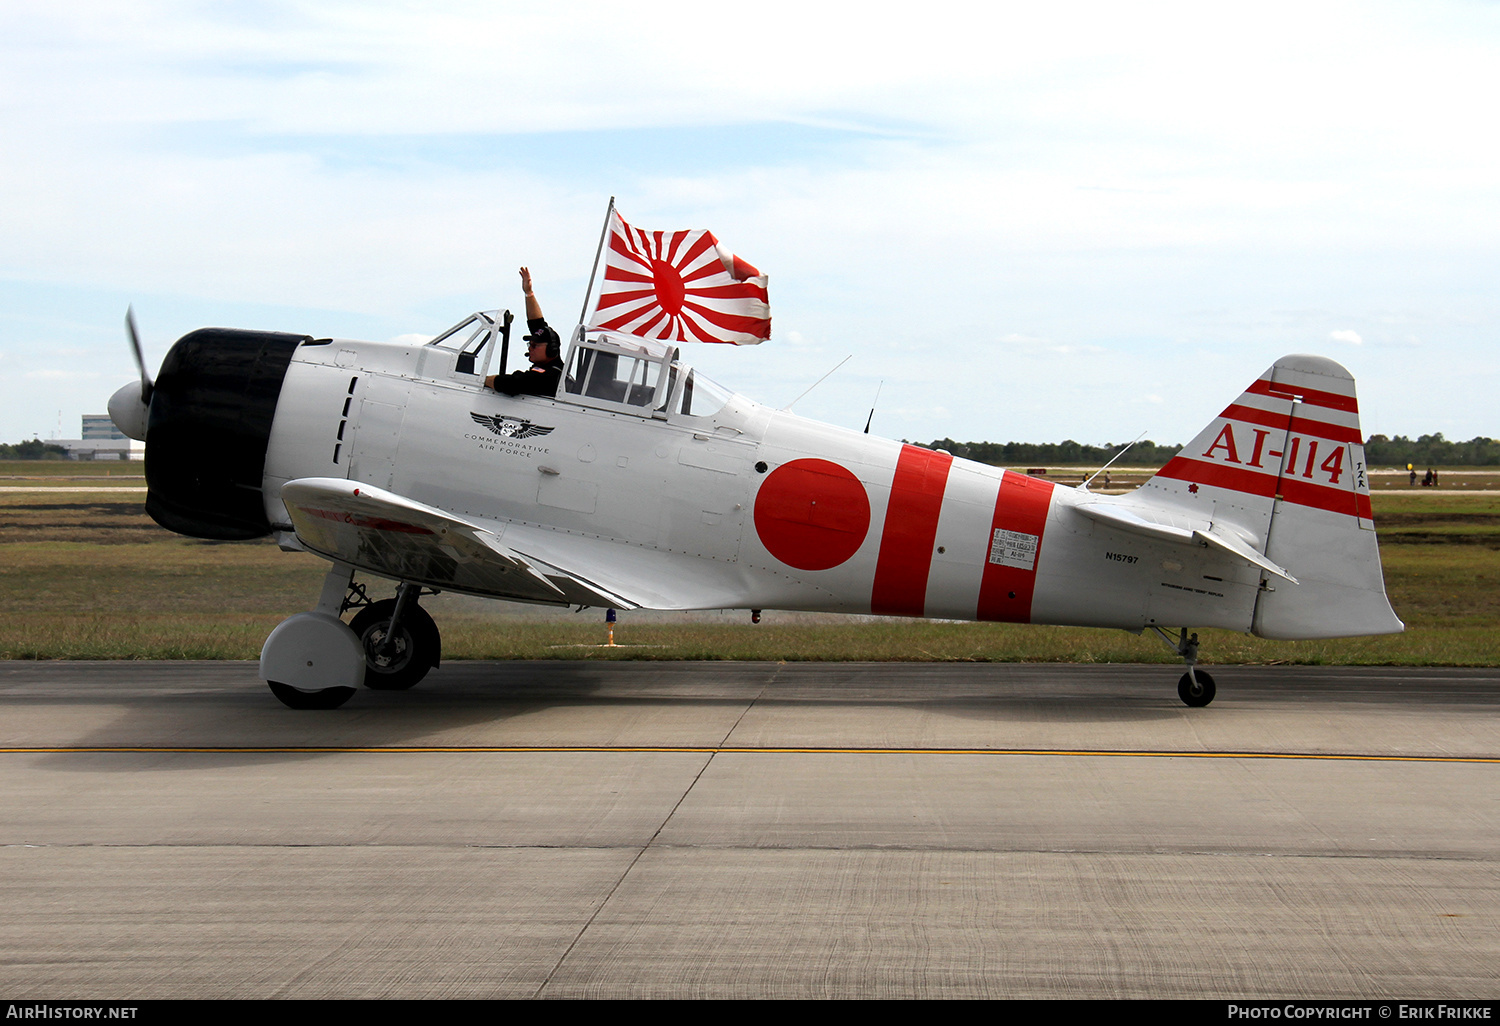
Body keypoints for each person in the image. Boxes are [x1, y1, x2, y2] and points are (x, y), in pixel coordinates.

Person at [486, 267, 564, 397]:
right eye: (530, 345)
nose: (530, 349)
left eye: (534, 345)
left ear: (551, 349)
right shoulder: (551, 368)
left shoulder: (550, 376)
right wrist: (529, 293)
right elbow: (537, 324)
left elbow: (512, 383)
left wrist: (483, 380)